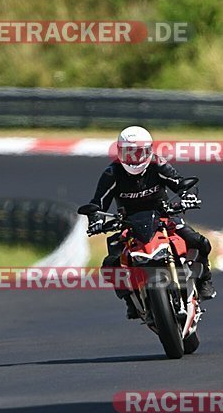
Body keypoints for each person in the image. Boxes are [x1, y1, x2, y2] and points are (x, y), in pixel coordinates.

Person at [84, 125, 216, 319]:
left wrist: (187, 196)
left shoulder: (158, 165)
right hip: (129, 224)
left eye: (139, 153)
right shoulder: (112, 174)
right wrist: (95, 217)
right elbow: (98, 203)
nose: (134, 158)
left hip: (164, 216)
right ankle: (131, 301)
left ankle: (205, 281)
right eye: (129, 153)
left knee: (199, 242)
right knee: (110, 263)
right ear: (120, 151)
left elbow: (179, 183)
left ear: (149, 151)